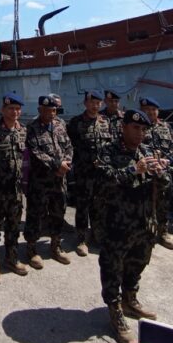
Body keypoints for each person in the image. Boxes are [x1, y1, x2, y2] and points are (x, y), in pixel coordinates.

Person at [93, 109, 165, 343]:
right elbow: (104, 182)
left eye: (144, 130)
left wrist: (161, 173)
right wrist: (134, 170)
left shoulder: (146, 151)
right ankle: (115, 312)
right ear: (123, 127)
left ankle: (130, 299)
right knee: (113, 268)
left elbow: (164, 189)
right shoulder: (107, 152)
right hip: (117, 224)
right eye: (135, 128)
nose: (140, 133)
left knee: (138, 263)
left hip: (144, 224)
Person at [0, 92, 29, 286]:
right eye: (11, 109)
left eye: (18, 109)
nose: (15, 112)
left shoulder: (23, 131)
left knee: (13, 226)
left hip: (16, 190)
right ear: (3, 110)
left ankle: (11, 257)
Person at [24, 95, 73, 269]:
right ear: (39, 110)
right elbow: (35, 151)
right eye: (46, 110)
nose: (50, 114)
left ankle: (55, 245)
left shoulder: (60, 125)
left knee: (58, 212)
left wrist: (66, 162)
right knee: (36, 214)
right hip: (40, 181)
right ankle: (31, 248)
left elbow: (68, 146)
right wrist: (57, 164)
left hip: (60, 179)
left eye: (53, 110)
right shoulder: (32, 127)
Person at [67, 90, 112, 257]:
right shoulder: (76, 122)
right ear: (85, 103)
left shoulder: (106, 122)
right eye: (92, 102)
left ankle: (97, 235)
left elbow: (112, 145)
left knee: (100, 205)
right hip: (84, 172)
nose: (95, 105)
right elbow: (69, 147)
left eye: (98, 103)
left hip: (101, 173)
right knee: (83, 206)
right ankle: (81, 239)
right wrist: (87, 160)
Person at [140, 97, 173, 251]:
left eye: (153, 110)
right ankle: (145, 233)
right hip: (145, 172)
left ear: (157, 111)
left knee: (164, 202)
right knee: (144, 203)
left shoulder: (166, 127)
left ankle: (163, 233)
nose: (150, 113)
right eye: (147, 110)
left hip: (163, 172)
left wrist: (166, 160)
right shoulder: (139, 127)